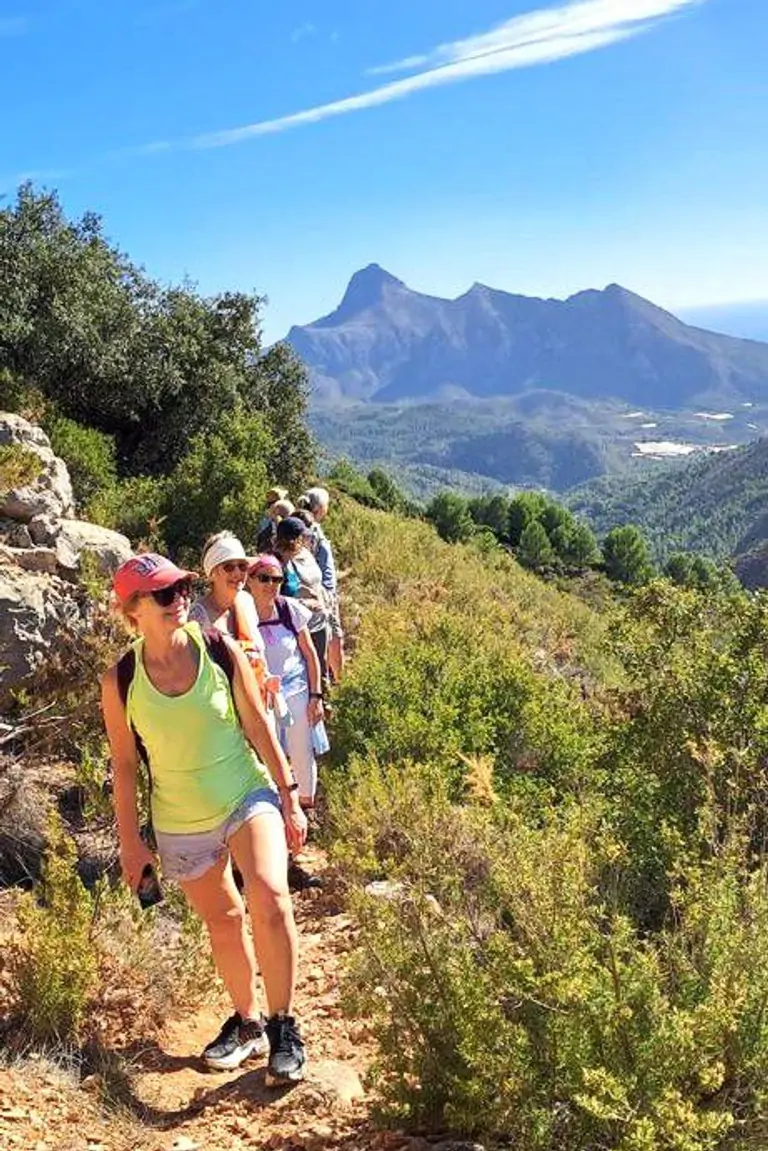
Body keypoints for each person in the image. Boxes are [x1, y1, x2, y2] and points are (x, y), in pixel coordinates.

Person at [101, 553, 307, 1084]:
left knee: (269, 893)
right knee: (224, 920)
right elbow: (124, 766)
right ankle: (247, 1022)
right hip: (179, 819)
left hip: (244, 791)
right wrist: (131, 843)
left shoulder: (218, 649)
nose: (180, 601)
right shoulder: (120, 680)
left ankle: (285, 1027)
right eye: (165, 595)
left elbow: (259, 726)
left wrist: (287, 794)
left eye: (182, 589)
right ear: (133, 610)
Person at [188, 533, 269, 695]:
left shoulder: (246, 601)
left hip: (259, 696)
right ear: (212, 573)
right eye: (229, 567)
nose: (238, 573)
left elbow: (258, 652)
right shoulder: (196, 616)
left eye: (242, 566)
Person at [273, 517, 330, 682]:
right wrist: (305, 604)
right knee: (305, 673)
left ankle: (322, 701)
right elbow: (274, 599)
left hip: (319, 623)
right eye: (302, 536)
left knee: (321, 669)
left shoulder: (305, 554)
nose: (307, 539)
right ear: (295, 539)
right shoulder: (279, 564)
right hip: (298, 627)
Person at [300, 488, 345, 684]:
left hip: (306, 592)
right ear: (320, 508)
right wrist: (329, 595)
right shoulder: (314, 530)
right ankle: (339, 681)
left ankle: (323, 676)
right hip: (322, 593)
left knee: (318, 638)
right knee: (334, 636)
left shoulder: (298, 523)